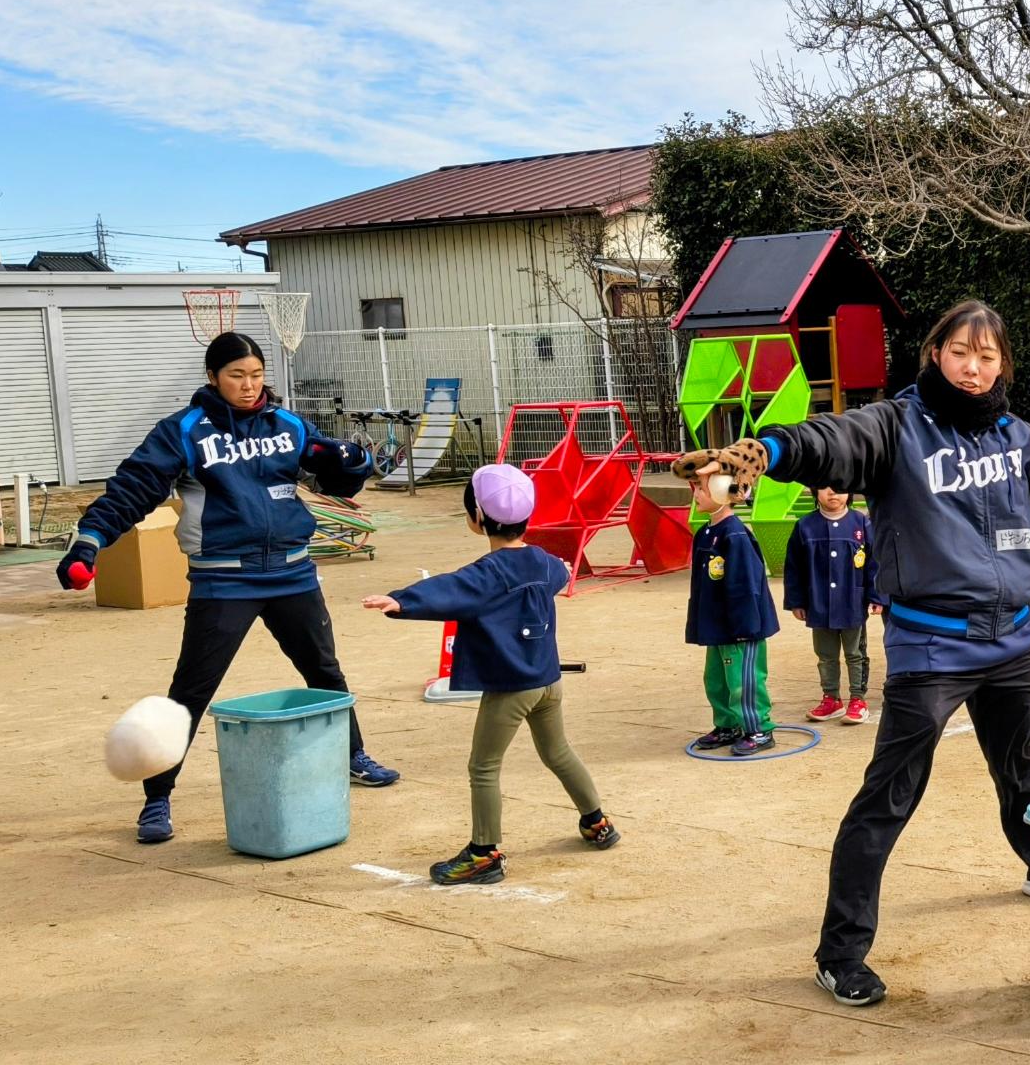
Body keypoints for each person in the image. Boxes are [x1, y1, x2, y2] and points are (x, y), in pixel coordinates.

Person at [670, 299, 1030, 1007]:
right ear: (935, 354)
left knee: (1022, 775)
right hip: (930, 646)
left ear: (1002, 364)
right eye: (960, 352)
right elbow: (830, 439)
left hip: (1013, 640)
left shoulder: (1016, 437)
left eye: (987, 356)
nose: (974, 368)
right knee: (889, 797)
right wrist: (763, 451)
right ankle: (841, 952)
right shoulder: (896, 427)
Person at [56, 331, 397, 844]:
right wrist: (89, 544)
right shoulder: (185, 431)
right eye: (237, 375)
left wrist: (353, 465)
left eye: (256, 375)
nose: (248, 385)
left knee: (324, 671)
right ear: (212, 377)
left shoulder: (287, 424)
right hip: (224, 579)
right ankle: (158, 799)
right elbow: (132, 488)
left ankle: (352, 755)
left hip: (293, 573)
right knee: (192, 690)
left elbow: (339, 479)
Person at [361, 464, 617, 885]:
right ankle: (597, 822)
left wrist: (400, 601)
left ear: (477, 518)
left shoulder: (489, 572)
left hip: (511, 687)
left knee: (483, 767)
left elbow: (451, 588)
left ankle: (484, 854)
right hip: (548, 681)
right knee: (558, 752)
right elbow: (561, 571)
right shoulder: (543, 562)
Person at [685, 467, 781, 757]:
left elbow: (746, 585)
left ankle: (758, 727)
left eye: (701, 488)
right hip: (717, 624)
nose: (696, 494)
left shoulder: (736, 535)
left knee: (744, 679)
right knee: (716, 679)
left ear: (719, 492)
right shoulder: (705, 532)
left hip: (741, 625)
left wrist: (745, 625)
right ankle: (727, 724)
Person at [785, 485, 883, 724]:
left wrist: (877, 595)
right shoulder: (805, 526)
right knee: (825, 654)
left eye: (839, 488)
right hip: (818, 602)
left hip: (852, 601)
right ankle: (831, 699)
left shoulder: (861, 523)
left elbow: (874, 563)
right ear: (815, 492)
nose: (833, 493)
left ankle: (857, 699)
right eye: (825, 488)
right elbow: (794, 567)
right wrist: (797, 600)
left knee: (855, 653)